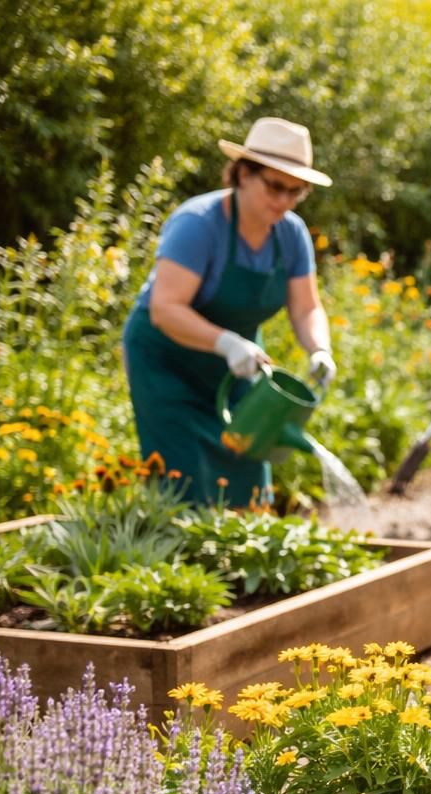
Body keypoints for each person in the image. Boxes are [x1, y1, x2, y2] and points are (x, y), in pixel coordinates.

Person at [123, 117, 336, 507]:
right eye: (275, 186)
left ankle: (239, 563)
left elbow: (306, 308)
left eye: (296, 192)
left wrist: (319, 350)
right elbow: (165, 309)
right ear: (242, 174)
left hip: (237, 366)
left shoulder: (291, 235)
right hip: (167, 364)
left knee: (248, 467)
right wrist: (227, 342)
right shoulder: (199, 224)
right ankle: (180, 562)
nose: (284, 201)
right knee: (182, 479)